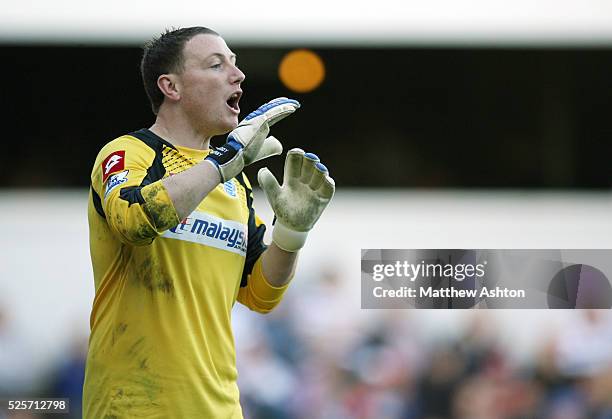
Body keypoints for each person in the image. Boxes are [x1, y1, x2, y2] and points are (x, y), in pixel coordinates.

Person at [83, 26, 334, 418]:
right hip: (134, 407)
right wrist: (222, 164)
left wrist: (291, 233)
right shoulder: (128, 153)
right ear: (171, 87)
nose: (238, 75)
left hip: (220, 409)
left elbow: (260, 295)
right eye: (216, 65)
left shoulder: (234, 182)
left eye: (235, 64)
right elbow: (132, 219)